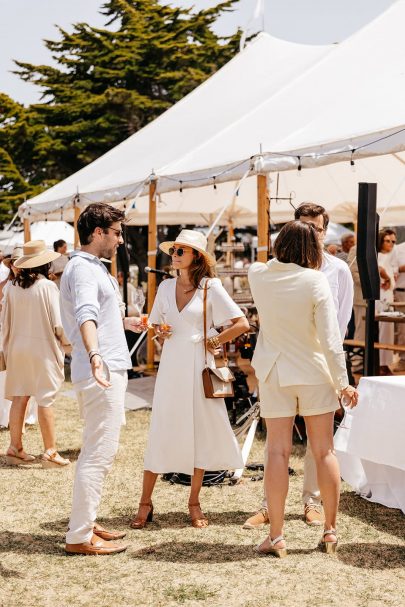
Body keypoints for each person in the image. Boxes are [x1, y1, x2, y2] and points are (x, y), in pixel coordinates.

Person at [248, 221, 358, 557]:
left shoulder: (257, 274)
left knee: (277, 452)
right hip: (313, 371)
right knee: (324, 451)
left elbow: (264, 263)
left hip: (275, 372)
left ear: (280, 245)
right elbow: (329, 339)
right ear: (313, 249)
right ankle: (330, 531)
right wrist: (343, 382)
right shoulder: (316, 281)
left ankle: (277, 535)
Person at [130, 229, 248, 530]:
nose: (175, 255)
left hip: (198, 366)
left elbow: (241, 323)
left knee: (197, 433)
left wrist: (215, 340)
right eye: (174, 250)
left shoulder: (211, 286)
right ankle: (145, 501)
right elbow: (155, 325)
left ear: (196, 256)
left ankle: (194, 502)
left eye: (181, 250)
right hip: (171, 367)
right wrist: (161, 333)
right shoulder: (166, 287)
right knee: (162, 429)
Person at [60, 203, 142, 556]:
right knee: (98, 454)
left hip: (107, 364)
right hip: (102, 368)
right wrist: (95, 356)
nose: (121, 240)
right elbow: (85, 315)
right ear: (98, 233)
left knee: (97, 450)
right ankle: (78, 536)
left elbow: (100, 316)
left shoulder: (93, 268)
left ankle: (87, 522)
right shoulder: (82, 269)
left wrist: (128, 324)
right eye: (117, 232)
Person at [2, 240, 70, 468]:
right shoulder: (47, 287)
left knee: (20, 396)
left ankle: (15, 448)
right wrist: (68, 343)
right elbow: (59, 324)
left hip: (17, 349)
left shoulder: (11, 287)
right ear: (44, 264)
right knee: (45, 398)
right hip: (41, 349)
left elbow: (5, 322)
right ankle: (50, 452)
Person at [0, 247, 38, 429]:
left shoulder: (35, 285)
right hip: (8, 334)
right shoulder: (4, 286)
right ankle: (6, 417)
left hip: (28, 335)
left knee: (31, 379)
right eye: (14, 263)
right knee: (7, 379)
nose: (16, 266)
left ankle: (29, 416)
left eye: (19, 263)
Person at [377, 229, 398, 375]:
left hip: (388, 295)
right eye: (387, 240)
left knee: (387, 329)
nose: (391, 243)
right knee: (384, 328)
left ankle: (384, 363)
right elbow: (379, 269)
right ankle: (382, 364)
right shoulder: (379, 255)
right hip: (382, 295)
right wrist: (387, 278)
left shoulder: (388, 256)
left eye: (393, 241)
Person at [394, 240, 405, 372]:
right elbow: (391, 268)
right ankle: (403, 359)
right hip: (401, 292)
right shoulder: (398, 248)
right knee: (403, 328)